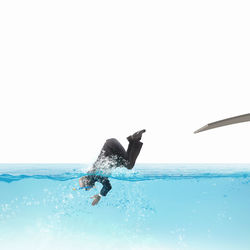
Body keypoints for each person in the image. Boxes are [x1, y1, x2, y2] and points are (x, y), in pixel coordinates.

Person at [79, 129, 146, 206]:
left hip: (112, 147)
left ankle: (135, 139)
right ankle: (132, 139)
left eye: (86, 187)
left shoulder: (96, 176)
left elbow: (108, 186)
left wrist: (99, 196)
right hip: (111, 146)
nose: (87, 189)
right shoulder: (94, 174)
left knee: (129, 165)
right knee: (126, 163)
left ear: (88, 182)